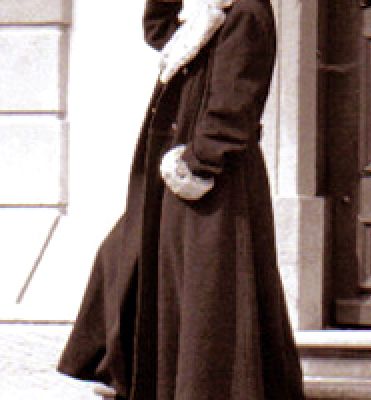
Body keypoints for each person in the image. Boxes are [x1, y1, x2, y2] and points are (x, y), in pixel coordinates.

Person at [58, 0, 305, 399]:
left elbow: (233, 107)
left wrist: (197, 163)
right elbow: (158, 30)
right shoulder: (209, 16)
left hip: (216, 181)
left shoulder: (247, 14)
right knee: (127, 258)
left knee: (208, 298)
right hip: (175, 177)